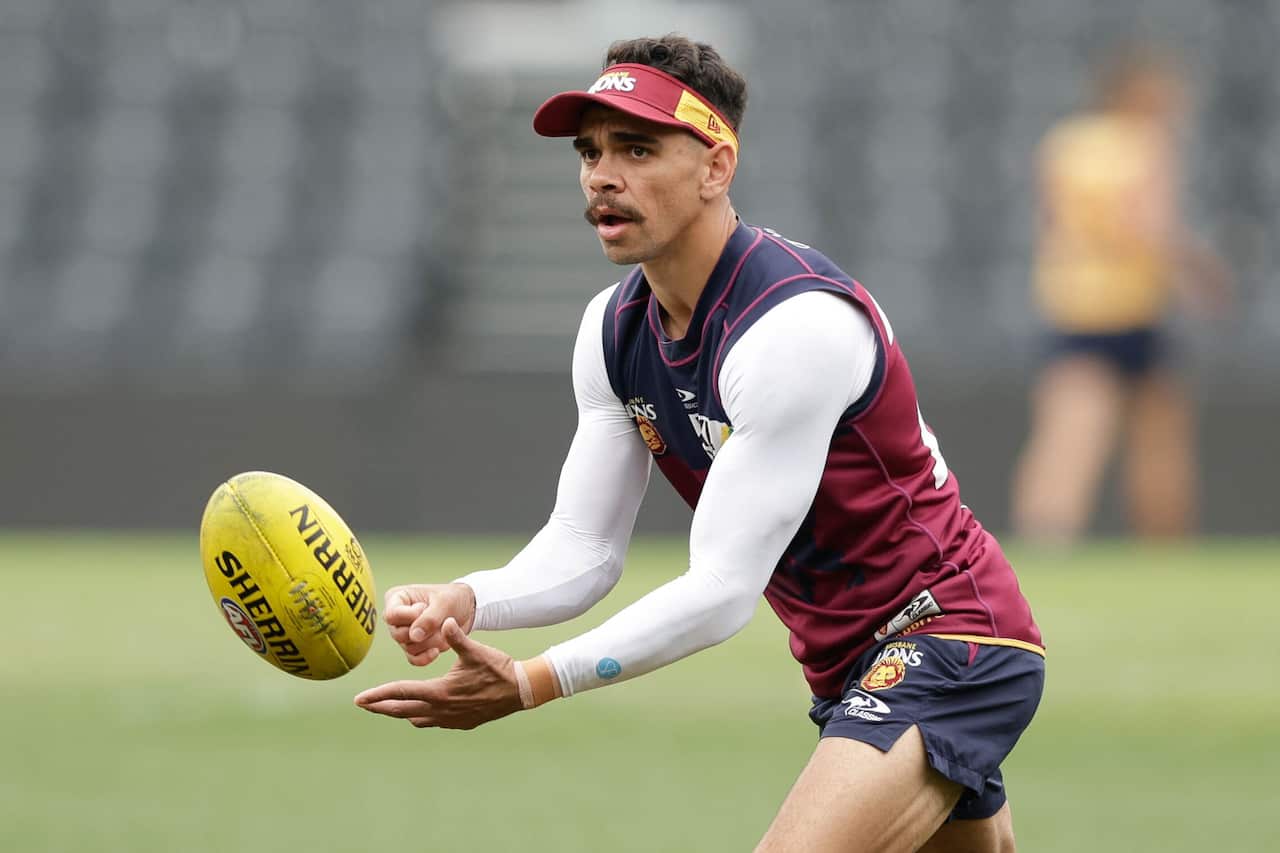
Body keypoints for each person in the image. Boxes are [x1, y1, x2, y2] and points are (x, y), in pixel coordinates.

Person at [355, 35, 1045, 853]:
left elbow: (721, 591)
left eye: (637, 149)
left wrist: (536, 680)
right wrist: (467, 599)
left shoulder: (793, 325)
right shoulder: (614, 330)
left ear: (716, 168)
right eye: (590, 151)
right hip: (846, 669)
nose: (602, 176)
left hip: (949, 635)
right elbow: (583, 548)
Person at [1010, 46, 1230, 544]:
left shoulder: (1066, 143)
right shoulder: (1146, 143)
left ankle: (1044, 541)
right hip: (1133, 307)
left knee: (1065, 440)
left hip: (1072, 305)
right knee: (1158, 444)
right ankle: (1164, 550)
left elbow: (1050, 223)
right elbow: (1150, 225)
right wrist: (1201, 271)